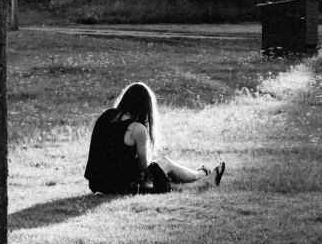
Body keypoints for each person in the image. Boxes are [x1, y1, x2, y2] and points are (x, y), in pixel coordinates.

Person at [84, 82, 225, 194]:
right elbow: (143, 167)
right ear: (144, 107)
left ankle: (202, 177)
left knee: (161, 167)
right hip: (120, 185)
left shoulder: (106, 116)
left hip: (97, 183)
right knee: (164, 163)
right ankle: (201, 177)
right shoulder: (137, 128)